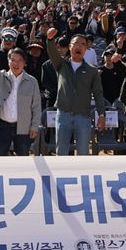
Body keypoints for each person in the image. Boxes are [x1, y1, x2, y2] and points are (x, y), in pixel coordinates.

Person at [45, 28, 105, 156]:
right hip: (63, 115)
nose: (79, 46)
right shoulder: (61, 64)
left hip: (83, 117)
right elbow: (51, 52)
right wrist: (50, 39)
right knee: (61, 152)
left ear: (86, 49)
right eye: (75, 43)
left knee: (83, 153)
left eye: (83, 44)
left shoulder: (92, 71)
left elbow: (98, 93)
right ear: (69, 47)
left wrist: (101, 114)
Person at [0, 47, 42, 156]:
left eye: (19, 61)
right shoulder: (0, 77)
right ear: (8, 62)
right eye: (13, 60)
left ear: (24, 63)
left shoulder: (32, 82)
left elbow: (36, 107)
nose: (16, 64)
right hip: (2, 126)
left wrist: (34, 126)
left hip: (24, 127)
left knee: (22, 157)